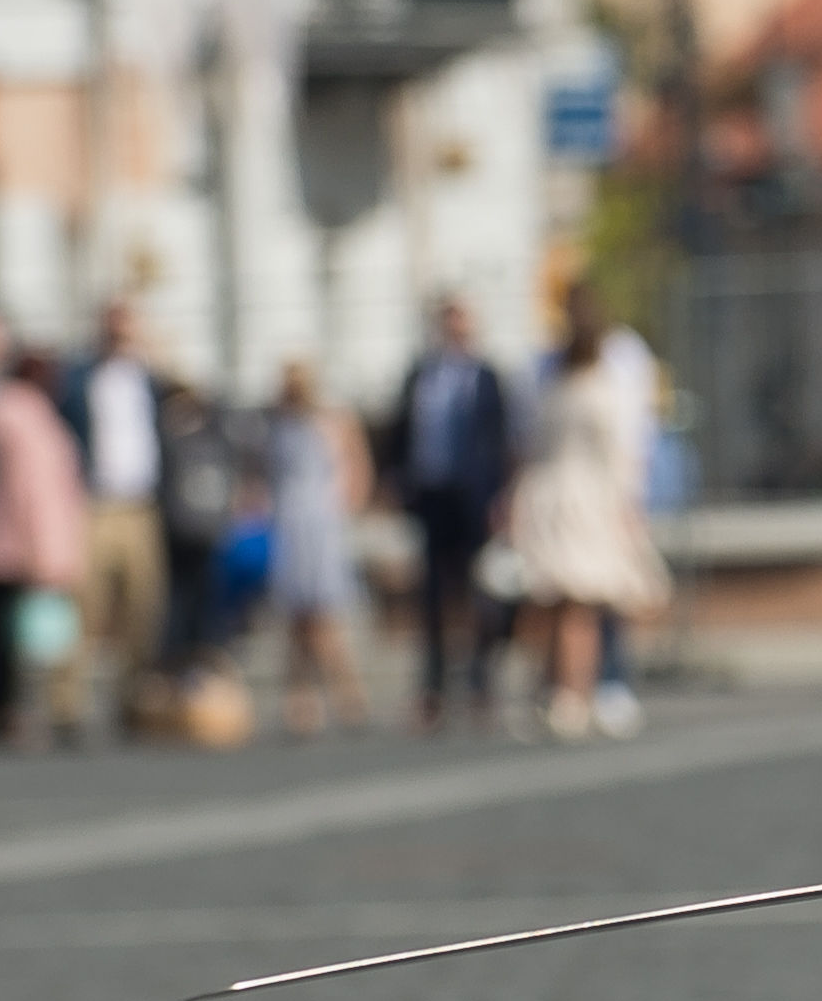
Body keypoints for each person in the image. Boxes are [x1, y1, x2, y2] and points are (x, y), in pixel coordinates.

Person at [508, 287, 668, 740]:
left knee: (577, 604)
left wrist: (627, 504)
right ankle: (565, 691)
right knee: (561, 605)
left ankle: (580, 691)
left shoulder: (594, 377)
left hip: (579, 501)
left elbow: (623, 449)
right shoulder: (555, 377)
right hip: (568, 499)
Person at [388, 295, 515, 731]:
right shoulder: (421, 375)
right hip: (433, 496)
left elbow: (499, 441)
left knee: (482, 594)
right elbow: (401, 433)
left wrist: (502, 498)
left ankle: (481, 680)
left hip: (474, 498)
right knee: (433, 598)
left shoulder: (486, 377)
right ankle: (435, 688)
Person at [54, 300, 168, 747]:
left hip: (139, 505)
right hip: (93, 505)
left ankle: (132, 700)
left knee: (141, 608)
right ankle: (68, 706)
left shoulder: (148, 380)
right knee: (84, 610)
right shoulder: (81, 378)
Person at [0, 345, 92, 751]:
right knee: (32, 638)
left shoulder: (2, 410)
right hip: (28, 543)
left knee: (9, 634)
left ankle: (13, 712)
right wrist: (43, 550)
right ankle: (39, 712)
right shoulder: (21, 415)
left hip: (6, 541)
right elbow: (30, 491)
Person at [264, 358, 373, 733]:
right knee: (297, 619)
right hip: (291, 521)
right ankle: (303, 700)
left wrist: (345, 508)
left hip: (320, 520)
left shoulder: (332, 422)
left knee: (323, 617)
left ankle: (346, 694)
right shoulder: (279, 424)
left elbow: (357, 469)